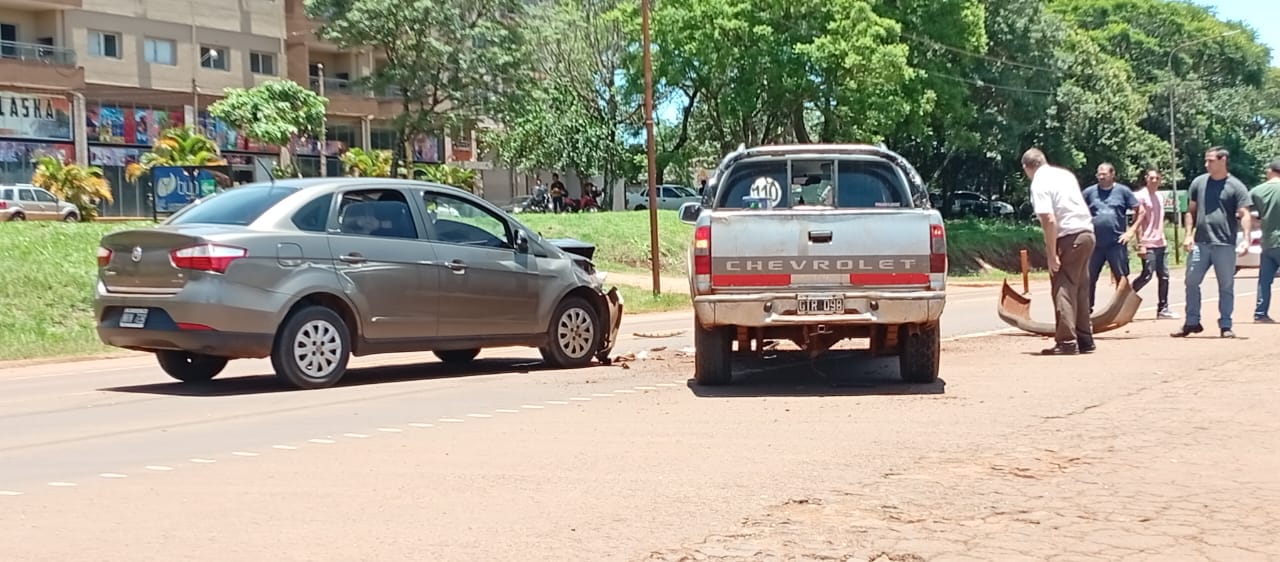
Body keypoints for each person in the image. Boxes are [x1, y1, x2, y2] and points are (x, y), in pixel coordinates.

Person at [1172, 146, 1253, 339]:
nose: (1206, 164)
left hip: (1224, 243)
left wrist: (1247, 239)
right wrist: (1188, 235)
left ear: (1223, 160)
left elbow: (1244, 214)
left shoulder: (1236, 186)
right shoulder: (1199, 183)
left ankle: (1226, 325)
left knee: (1226, 285)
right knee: (1191, 280)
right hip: (1200, 242)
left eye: (1211, 160)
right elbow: (1190, 211)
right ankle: (1192, 321)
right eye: (1206, 160)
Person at [1022, 148, 1098, 355]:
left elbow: (1049, 219)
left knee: (1062, 287)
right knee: (1080, 287)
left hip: (1069, 237)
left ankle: (1066, 341)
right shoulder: (1065, 175)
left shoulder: (1039, 182)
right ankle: (1085, 338)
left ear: (1027, 167)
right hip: (1087, 234)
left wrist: (1051, 253)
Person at [1082, 163, 1141, 310]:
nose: (1101, 177)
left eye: (1104, 174)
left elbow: (1141, 211)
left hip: (1116, 242)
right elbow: (1078, 210)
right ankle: (1086, 310)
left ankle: (1122, 308)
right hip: (1095, 244)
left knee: (1121, 278)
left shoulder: (1123, 191)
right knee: (1088, 277)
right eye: (1099, 174)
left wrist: (1131, 231)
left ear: (1112, 174)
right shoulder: (1089, 192)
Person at [1130, 168, 1177, 319]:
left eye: (1157, 178)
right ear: (1146, 179)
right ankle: (1124, 301)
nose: (1154, 181)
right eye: (1151, 178)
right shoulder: (1140, 196)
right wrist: (1141, 244)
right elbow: (1137, 221)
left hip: (1160, 242)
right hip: (1147, 242)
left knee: (1164, 276)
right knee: (1147, 275)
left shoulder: (1159, 197)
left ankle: (1163, 309)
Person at [1251, 157, 1280, 323]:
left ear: (1271, 170)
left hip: (1267, 241)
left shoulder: (1257, 191)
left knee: (1264, 280)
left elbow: (1243, 212)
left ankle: (1260, 313)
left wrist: (1258, 224)